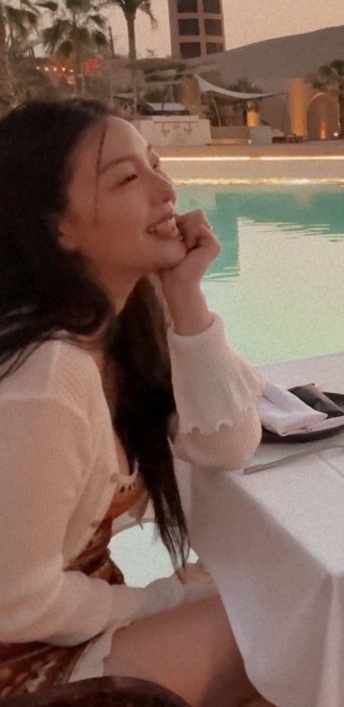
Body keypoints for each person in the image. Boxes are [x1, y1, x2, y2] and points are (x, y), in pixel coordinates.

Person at [0, 99, 272, 707]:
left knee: (280, 606)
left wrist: (185, 293)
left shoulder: (124, 326)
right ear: (57, 228)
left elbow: (227, 445)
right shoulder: (47, 375)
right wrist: (154, 602)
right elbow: (13, 601)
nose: (166, 190)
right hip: (19, 660)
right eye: (127, 178)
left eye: (155, 164)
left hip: (61, 626)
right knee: (278, 623)